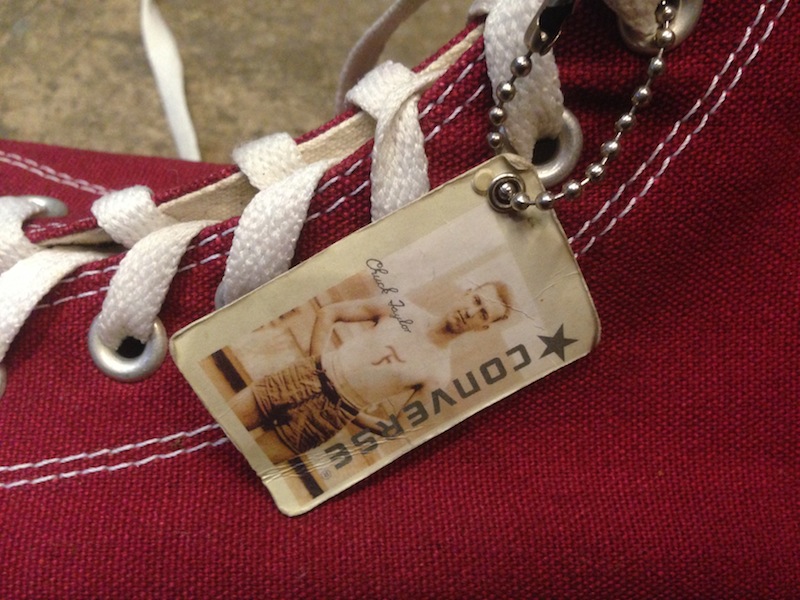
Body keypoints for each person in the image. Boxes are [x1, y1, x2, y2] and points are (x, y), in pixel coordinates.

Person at [228, 281, 512, 463]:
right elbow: (329, 313)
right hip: (298, 378)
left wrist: (351, 413)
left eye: (483, 314)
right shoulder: (401, 309)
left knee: (248, 469)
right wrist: (314, 363)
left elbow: (398, 429)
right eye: (476, 301)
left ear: (483, 327)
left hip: (325, 420)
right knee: (224, 426)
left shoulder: (439, 373)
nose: (471, 312)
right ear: (466, 293)